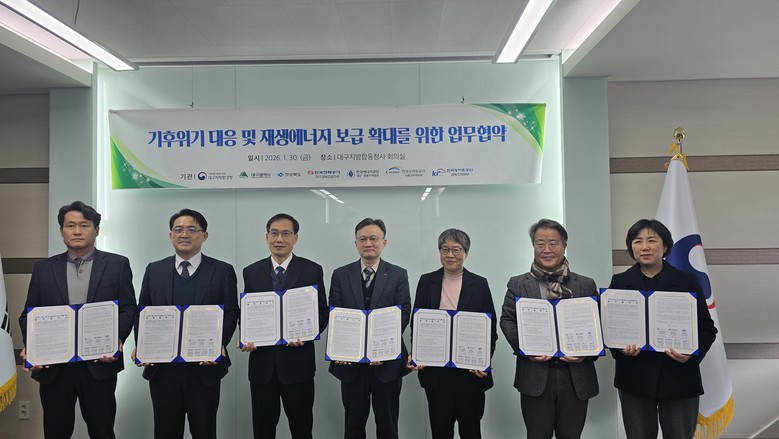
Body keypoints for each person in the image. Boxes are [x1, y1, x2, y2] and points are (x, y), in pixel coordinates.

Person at [18, 201, 137, 439]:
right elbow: (29, 314)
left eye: (84, 225)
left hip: (99, 363)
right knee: (56, 431)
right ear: (61, 231)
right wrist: (32, 346)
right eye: (70, 225)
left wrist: (117, 338)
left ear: (97, 230)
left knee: (102, 430)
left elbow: (128, 308)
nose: (77, 231)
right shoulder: (43, 268)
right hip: (55, 367)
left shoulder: (117, 264)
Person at [132, 208, 238, 439]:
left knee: (204, 431)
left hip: (204, 368)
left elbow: (231, 313)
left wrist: (218, 344)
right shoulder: (154, 269)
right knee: (165, 432)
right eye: (178, 229)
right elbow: (143, 311)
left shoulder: (222, 271)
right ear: (171, 235)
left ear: (204, 235)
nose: (184, 234)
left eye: (192, 229)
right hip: (163, 370)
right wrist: (142, 346)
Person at [609, 219, 717, 439]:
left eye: (651, 240)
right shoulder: (619, 282)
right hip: (635, 379)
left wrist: (691, 354)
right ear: (631, 247)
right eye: (637, 241)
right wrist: (620, 349)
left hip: (679, 378)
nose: (644, 247)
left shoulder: (687, 281)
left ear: (665, 245)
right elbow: (610, 329)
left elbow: (707, 328)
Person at [499, 218, 599, 439]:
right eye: (540, 243)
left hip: (575, 376)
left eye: (553, 243)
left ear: (564, 245)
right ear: (533, 246)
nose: (546, 249)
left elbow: (597, 326)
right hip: (535, 374)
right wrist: (526, 347)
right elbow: (507, 320)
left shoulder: (585, 285)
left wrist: (585, 353)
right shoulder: (518, 284)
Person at [240, 213, 329, 439]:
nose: (279, 239)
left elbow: (322, 313)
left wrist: (307, 335)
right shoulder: (251, 272)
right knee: (262, 431)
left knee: (301, 429)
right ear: (266, 237)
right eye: (274, 233)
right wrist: (246, 338)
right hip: (262, 367)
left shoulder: (312, 270)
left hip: (298, 365)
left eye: (286, 233)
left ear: (295, 238)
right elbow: (247, 314)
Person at [407, 228, 497, 439]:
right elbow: (417, 324)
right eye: (445, 249)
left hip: (470, 374)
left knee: (471, 431)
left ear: (466, 252)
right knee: (440, 432)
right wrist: (418, 353)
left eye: (456, 250)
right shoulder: (426, 281)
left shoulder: (480, 284)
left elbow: (490, 328)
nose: (450, 255)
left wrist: (483, 361)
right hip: (437, 374)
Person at [328, 218, 411, 439]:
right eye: (362, 239)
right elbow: (335, 313)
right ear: (355, 243)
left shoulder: (398, 274)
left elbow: (403, 313)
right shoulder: (340, 274)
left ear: (384, 242)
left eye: (373, 238)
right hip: (351, 365)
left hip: (387, 364)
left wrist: (380, 349)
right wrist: (340, 349)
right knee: (353, 427)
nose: (368, 243)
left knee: (388, 427)